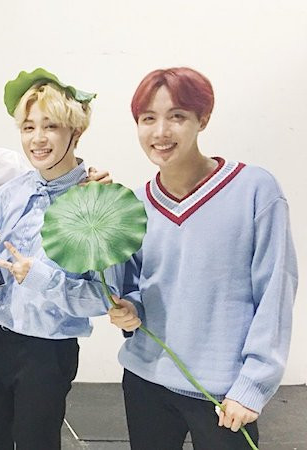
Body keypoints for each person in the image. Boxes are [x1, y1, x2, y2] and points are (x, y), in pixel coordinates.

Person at [108, 67, 297, 449]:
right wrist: (129, 309)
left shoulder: (254, 189)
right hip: (146, 382)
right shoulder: (135, 205)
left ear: (203, 119)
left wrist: (252, 385)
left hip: (225, 393)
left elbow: (276, 291)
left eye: (177, 116)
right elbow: (137, 288)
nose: (161, 132)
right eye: (148, 119)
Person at [0, 68, 112, 450]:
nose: (37, 139)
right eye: (28, 127)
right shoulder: (12, 192)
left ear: (75, 131)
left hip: (48, 350)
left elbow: (103, 298)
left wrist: (40, 277)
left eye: (50, 126)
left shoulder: (96, 203)